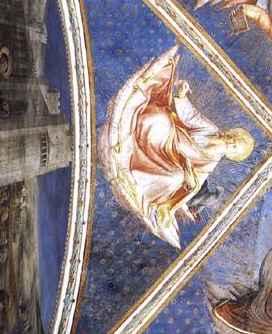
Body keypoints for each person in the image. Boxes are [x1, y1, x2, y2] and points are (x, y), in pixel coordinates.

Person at [98, 46, 254, 248]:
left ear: (231, 154)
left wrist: (188, 179)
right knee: (159, 119)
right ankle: (129, 139)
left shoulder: (211, 162)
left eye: (234, 147)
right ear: (232, 133)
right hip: (170, 138)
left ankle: (133, 170)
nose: (232, 143)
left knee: (175, 178)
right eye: (235, 139)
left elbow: (194, 184)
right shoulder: (211, 129)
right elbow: (190, 117)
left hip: (171, 161)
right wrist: (181, 96)